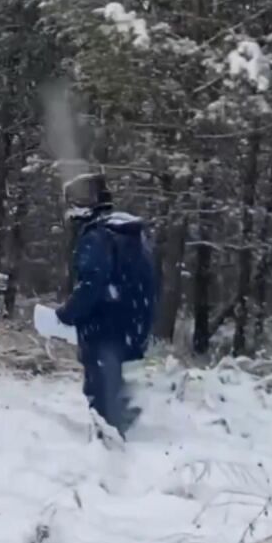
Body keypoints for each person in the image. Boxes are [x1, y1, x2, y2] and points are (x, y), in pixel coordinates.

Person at [55, 173, 157, 438]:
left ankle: (109, 442)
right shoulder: (131, 234)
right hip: (132, 323)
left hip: (104, 325)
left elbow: (92, 284)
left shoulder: (97, 237)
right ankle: (125, 425)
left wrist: (67, 314)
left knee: (100, 387)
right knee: (114, 381)